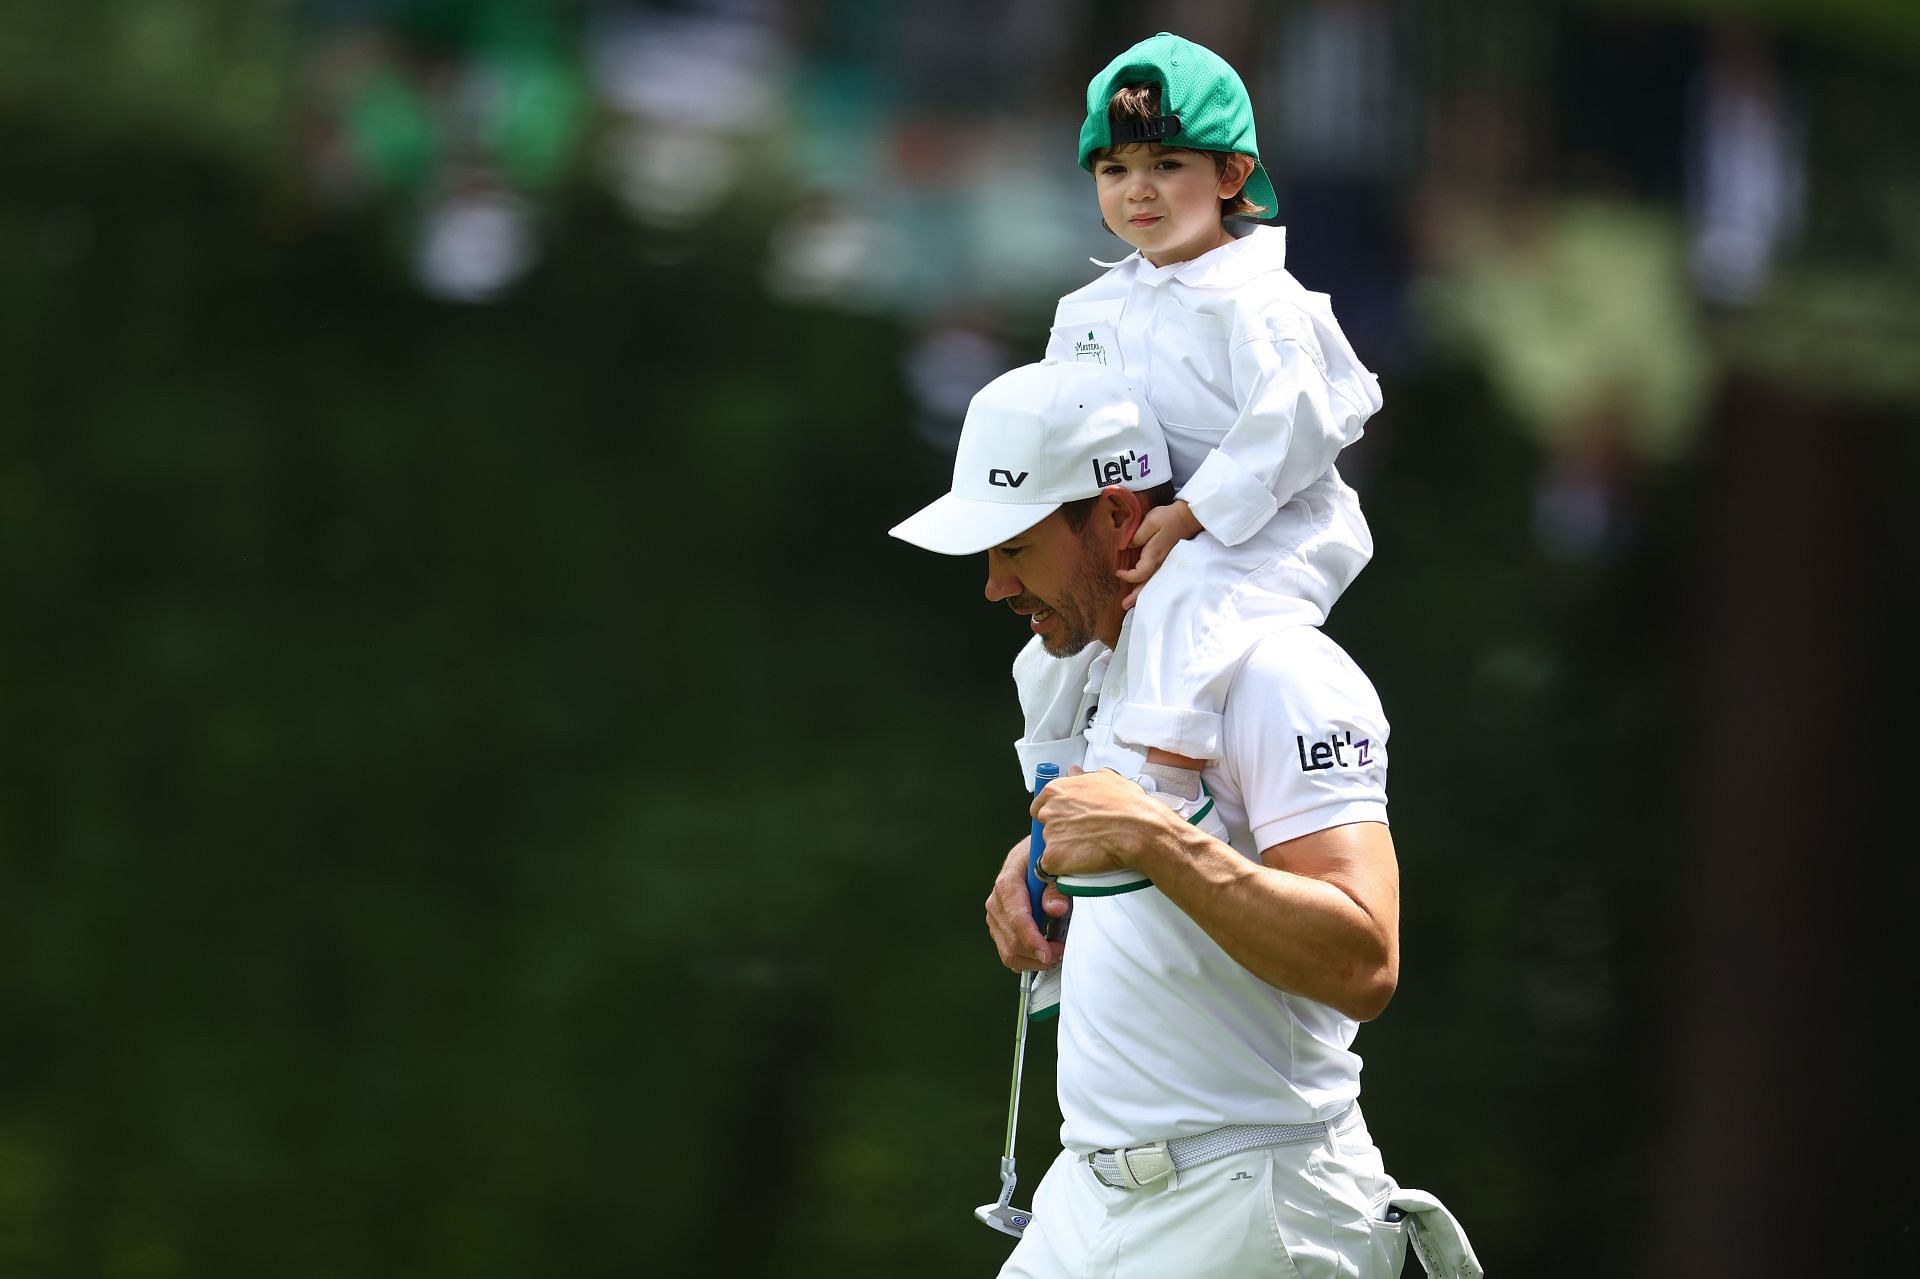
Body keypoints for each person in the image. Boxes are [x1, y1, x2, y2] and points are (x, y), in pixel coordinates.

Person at [889, 360, 1479, 1278]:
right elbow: (1158, 847)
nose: (995, 587)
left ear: (1119, 518)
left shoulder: (1282, 671)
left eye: (1017, 547)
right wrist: (1048, 864)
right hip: (1087, 1197)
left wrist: (1151, 841)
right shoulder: (1109, 675)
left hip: (1260, 1200)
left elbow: (1364, 958)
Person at [1013, 30, 1385, 815]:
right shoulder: (1087, 309)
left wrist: (1191, 514)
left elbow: (1293, 425)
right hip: (1139, 528)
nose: (1137, 190)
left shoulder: (1259, 299)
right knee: (1049, 647)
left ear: (1231, 173)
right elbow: (1061, 428)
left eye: (1166, 166)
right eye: (1115, 170)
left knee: (1182, 606)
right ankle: (1051, 791)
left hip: (1261, 530)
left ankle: (1165, 792)